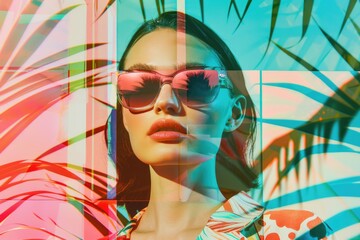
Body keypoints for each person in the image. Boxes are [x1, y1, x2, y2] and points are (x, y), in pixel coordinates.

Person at [106, 11, 332, 239]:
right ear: (124, 115)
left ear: (234, 113)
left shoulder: (291, 233)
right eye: (140, 88)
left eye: (195, 84)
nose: (166, 102)